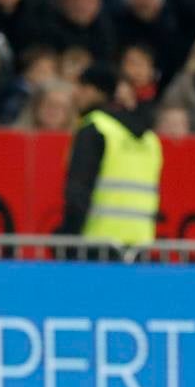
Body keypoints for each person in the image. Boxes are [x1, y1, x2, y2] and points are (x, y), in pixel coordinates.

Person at [59, 64, 162, 251]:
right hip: (141, 244)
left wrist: (68, 238)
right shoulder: (150, 138)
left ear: (95, 91)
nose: (76, 94)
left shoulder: (95, 128)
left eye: (81, 87)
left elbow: (78, 190)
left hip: (97, 244)